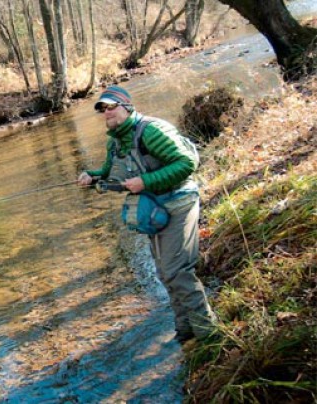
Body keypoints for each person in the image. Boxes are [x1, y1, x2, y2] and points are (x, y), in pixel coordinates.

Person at [77, 86, 218, 343]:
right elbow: (111, 173)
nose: (106, 112)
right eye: (102, 109)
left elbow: (187, 162)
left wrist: (145, 181)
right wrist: (93, 176)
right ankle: (186, 333)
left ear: (127, 107)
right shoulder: (115, 140)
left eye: (111, 106)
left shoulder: (152, 130)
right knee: (164, 272)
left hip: (179, 202)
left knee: (177, 271)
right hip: (155, 207)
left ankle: (209, 335)